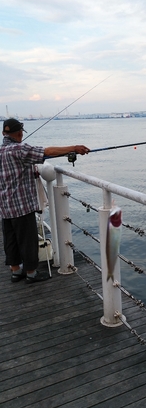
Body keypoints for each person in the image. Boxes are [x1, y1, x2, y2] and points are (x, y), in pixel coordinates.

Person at [0, 118, 90, 284]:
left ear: (4, 133)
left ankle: (15, 271)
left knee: (10, 239)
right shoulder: (20, 149)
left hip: (5, 206)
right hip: (22, 206)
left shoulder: (2, 151)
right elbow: (47, 152)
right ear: (19, 133)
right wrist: (74, 148)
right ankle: (31, 273)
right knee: (28, 239)